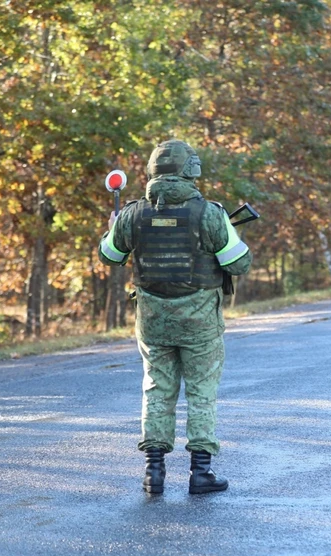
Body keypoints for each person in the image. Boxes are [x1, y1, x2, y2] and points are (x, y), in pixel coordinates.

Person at [97, 140, 252, 494]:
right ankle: (201, 473)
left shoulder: (133, 213)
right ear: (191, 171)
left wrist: (112, 228)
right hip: (200, 321)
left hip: (152, 320)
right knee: (201, 392)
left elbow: (109, 255)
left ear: (153, 172)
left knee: (156, 389)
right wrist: (230, 233)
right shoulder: (210, 213)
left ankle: (154, 473)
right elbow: (239, 263)